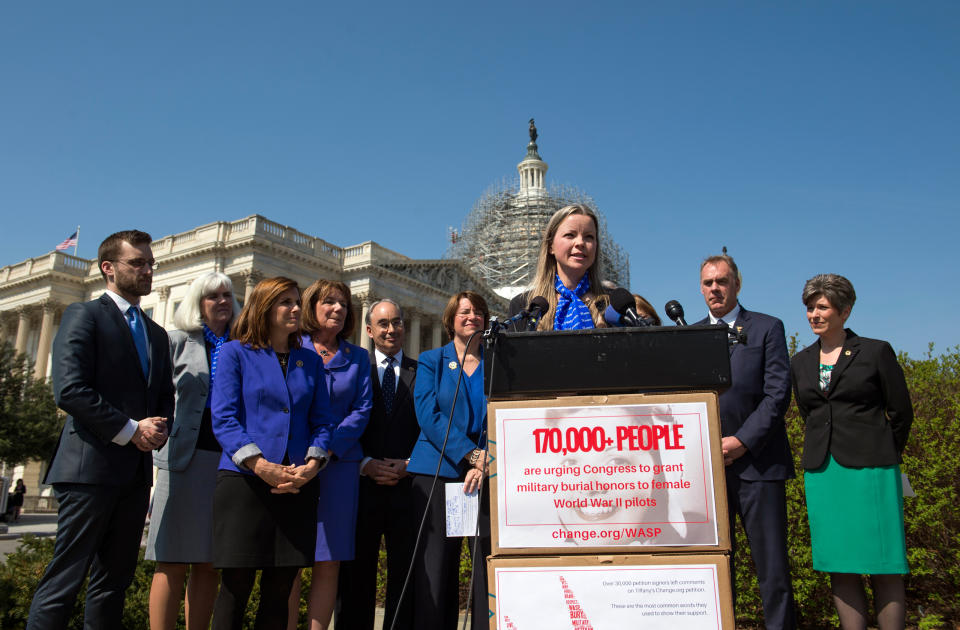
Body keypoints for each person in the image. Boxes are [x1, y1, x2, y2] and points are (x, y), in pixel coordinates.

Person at [27, 229, 175, 629]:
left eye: (150, 263)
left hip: (134, 473)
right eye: (137, 263)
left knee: (114, 583)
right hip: (89, 469)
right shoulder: (84, 314)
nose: (147, 270)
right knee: (65, 579)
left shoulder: (156, 334)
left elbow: (163, 396)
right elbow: (70, 390)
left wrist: (159, 429)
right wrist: (131, 429)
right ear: (109, 268)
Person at [210, 276, 332, 630]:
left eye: (297, 302)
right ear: (264, 307)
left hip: (296, 485)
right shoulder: (235, 352)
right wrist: (259, 464)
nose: (296, 309)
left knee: (281, 592)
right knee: (236, 589)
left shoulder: (309, 362)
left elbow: (323, 422)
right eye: (286, 302)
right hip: (244, 484)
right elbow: (224, 418)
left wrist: (312, 464)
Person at [791, 274, 912, 630]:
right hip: (824, 474)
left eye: (822, 307)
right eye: (810, 308)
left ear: (845, 311)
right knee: (838, 564)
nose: (814, 314)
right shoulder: (799, 362)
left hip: (872, 473)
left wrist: (883, 452)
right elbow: (810, 415)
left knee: (884, 564)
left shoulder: (875, 351)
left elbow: (901, 412)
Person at [695, 254, 796, 630]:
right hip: (708, 471)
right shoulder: (691, 334)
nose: (715, 289)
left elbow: (777, 395)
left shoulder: (768, 328)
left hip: (758, 465)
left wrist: (741, 441)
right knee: (716, 569)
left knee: (772, 572)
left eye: (722, 281)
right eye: (708, 283)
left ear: (737, 284)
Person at [145, 272, 240, 630]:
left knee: (208, 561)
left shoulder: (244, 346)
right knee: (170, 558)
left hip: (227, 461)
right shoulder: (177, 341)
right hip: (183, 457)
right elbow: (153, 394)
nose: (222, 302)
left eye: (228, 295)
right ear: (198, 302)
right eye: (213, 296)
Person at [407, 291, 490, 630]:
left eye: (478, 312)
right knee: (437, 565)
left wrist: (487, 460)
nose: (472, 317)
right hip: (437, 472)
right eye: (464, 312)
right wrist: (471, 454)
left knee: (484, 565)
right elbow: (428, 414)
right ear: (450, 319)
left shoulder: (497, 361)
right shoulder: (432, 360)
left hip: (486, 474)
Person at [336, 298, 419, 630]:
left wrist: (411, 463)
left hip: (408, 486)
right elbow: (342, 423)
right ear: (369, 330)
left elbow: (430, 424)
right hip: (361, 485)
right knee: (354, 576)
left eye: (397, 322)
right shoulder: (355, 370)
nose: (392, 329)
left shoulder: (422, 370)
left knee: (405, 576)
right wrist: (366, 463)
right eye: (383, 324)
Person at [298, 279, 372, 630]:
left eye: (343, 304)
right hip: (293, 463)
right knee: (290, 558)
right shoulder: (291, 348)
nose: (338, 309)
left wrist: (325, 449)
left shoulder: (358, 356)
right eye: (329, 302)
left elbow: (361, 410)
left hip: (339, 465)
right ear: (311, 306)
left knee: (329, 560)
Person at [507, 204, 608, 330]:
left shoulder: (613, 305)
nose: (580, 243)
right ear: (551, 246)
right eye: (570, 235)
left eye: (589, 237)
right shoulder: (525, 306)